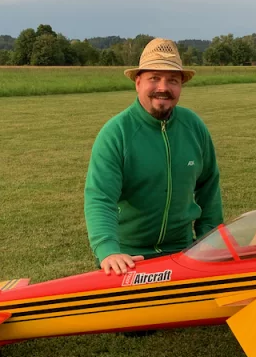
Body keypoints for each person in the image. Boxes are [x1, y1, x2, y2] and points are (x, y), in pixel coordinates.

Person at [84, 38, 223, 275]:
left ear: (181, 87)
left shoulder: (194, 126)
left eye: (172, 80)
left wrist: (209, 240)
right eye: (154, 78)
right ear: (138, 83)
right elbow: (100, 197)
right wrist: (108, 250)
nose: (163, 87)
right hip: (129, 257)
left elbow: (209, 186)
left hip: (184, 252)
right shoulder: (116, 132)